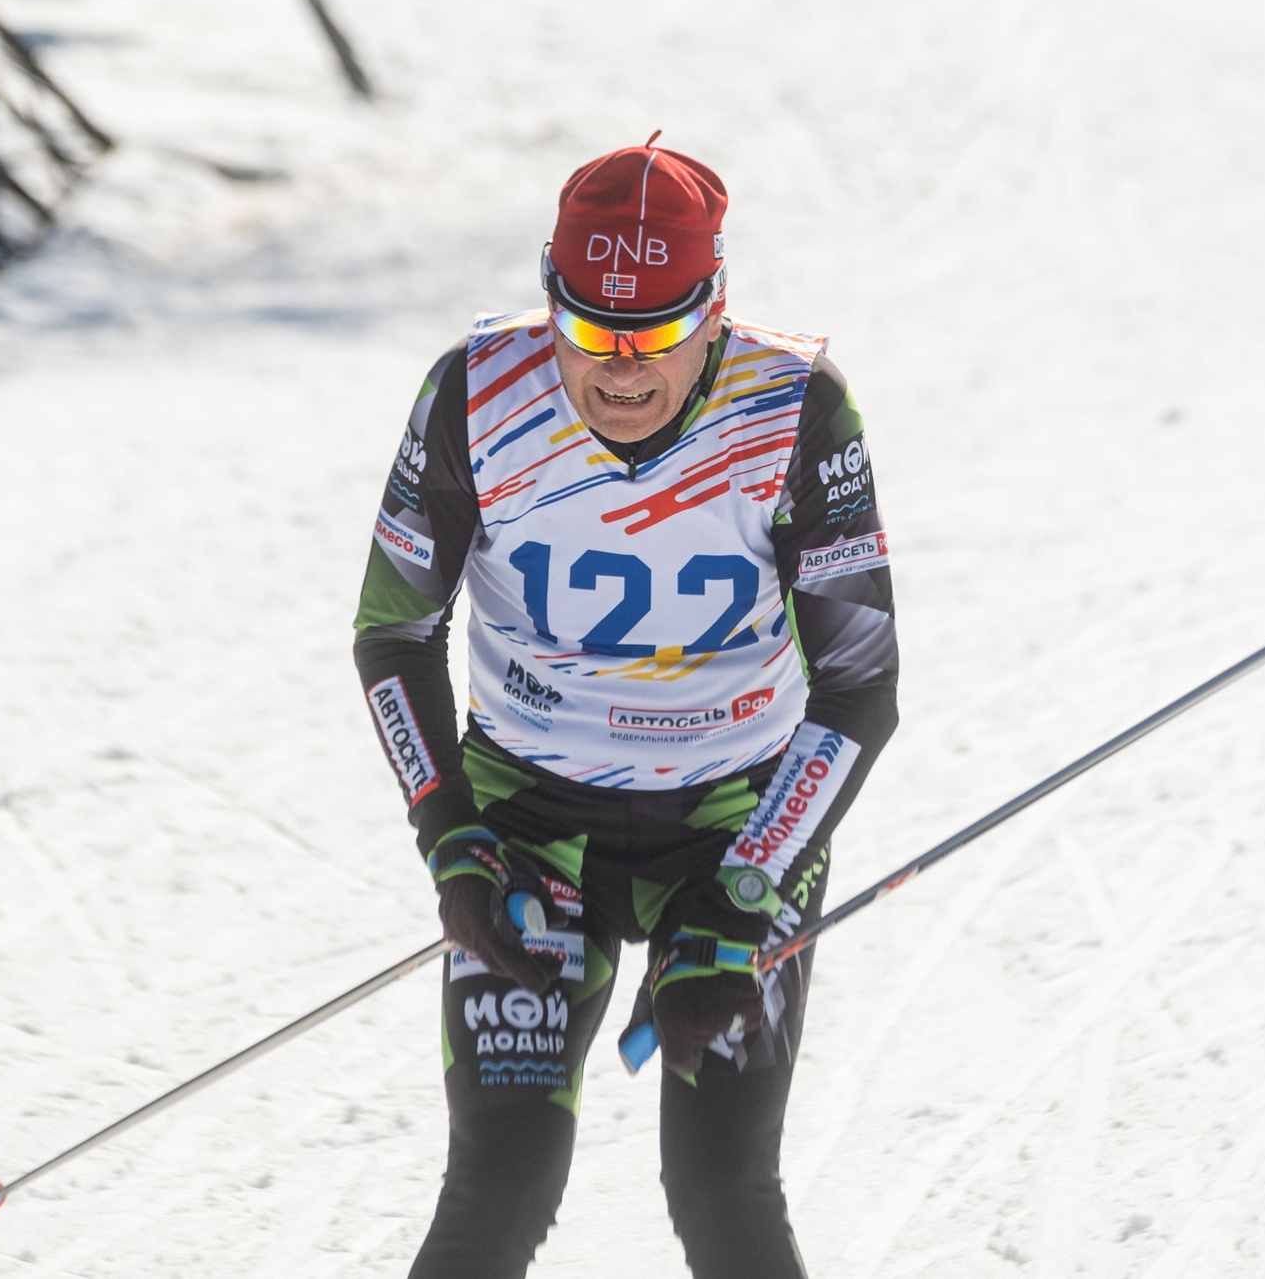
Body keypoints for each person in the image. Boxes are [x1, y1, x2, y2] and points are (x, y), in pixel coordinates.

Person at [353, 138, 899, 1277]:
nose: (620, 369)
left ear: (714, 308)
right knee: (495, 1188)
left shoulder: (794, 409)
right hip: (527, 823)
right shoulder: (474, 392)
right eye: (589, 330)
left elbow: (856, 686)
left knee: (723, 1191)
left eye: (654, 330)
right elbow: (395, 632)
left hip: (737, 828)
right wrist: (451, 841)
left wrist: (748, 894)